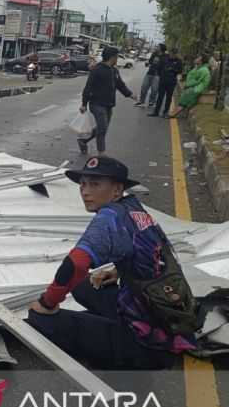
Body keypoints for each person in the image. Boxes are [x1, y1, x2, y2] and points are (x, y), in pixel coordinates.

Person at [26, 156, 197, 369]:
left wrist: (46, 304)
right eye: (83, 184)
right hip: (162, 313)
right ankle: (111, 328)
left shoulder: (110, 218)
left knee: (39, 319)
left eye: (95, 184)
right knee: (83, 285)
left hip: (146, 342)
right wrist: (119, 272)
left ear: (116, 190)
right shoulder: (134, 208)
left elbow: (76, 264)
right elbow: (156, 254)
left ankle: (121, 356)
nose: (85, 191)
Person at [78, 47, 137, 156]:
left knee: (102, 127)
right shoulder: (97, 69)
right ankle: (101, 153)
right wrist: (83, 104)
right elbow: (88, 87)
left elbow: (120, 85)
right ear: (112, 57)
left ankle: (83, 141)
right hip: (96, 104)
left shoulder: (114, 70)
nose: (117, 59)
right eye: (116, 57)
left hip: (108, 105)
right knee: (102, 128)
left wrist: (130, 94)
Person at [169, 54, 212, 119]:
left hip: (196, 89)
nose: (196, 59)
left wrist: (187, 85)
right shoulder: (199, 68)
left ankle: (173, 114)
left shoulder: (203, 70)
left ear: (201, 61)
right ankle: (179, 114)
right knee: (187, 99)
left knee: (184, 99)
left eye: (198, 58)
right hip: (196, 88)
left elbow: (196, 80)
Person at [149, 48, 183, 118]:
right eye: (171, 53)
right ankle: (156, 112)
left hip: (171, 82)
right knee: (160, 97)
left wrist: (172, 70)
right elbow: (159, 67)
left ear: (176, 54)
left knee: (168, 98)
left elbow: (180, 71)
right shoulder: (165, 59)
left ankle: (165, 113)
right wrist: (160, 75)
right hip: (163, 81)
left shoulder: (179, 61)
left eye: (174, 54)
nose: (172, 55)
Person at [135, 44, 166, 108]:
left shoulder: (165, 56)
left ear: (161, 48)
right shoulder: (154, 54)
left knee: (154, 90)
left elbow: (164, 66)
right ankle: (141, 101)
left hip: (157, 75)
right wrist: (149, 63)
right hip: (149, 73)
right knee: (144, 87)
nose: (156, 47)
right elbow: (150, 61)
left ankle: (152, 102)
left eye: (158, 47)